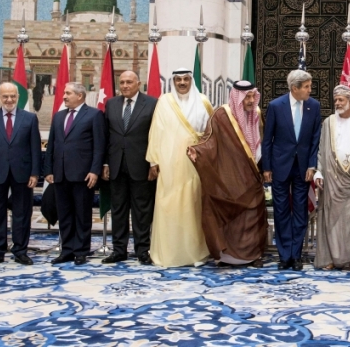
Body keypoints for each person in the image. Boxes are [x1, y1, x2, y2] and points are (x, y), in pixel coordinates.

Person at [187, 80, 267, 267]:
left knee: (253, 215)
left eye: (252, 96)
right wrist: (198, 151)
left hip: (252, 173)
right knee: (230, 216)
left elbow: (262, 142)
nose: (250, 100)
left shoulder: (256, 114)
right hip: (228, 174)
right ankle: (227, 256)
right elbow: (209, 140)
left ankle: (253, 255)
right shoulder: (222, 115)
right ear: (236, 97)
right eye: (246, 97)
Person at [146, 68, 213, 267]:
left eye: (185, 79)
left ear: (191, 80)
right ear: (173, 81)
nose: (182, 83)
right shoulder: (164, 101)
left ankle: (194, 253)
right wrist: (154, 161)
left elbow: (212, 132)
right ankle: (168, 254)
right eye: (178, 79)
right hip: (168, 163)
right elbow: (156, 131)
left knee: (192, 206)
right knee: (169, 206)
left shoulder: (203, 101)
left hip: (194, 162)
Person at [262, 69, 322, 271]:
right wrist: (267, 167)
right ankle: (284, 255)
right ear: (294, 88)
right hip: (280, 167)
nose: (309, 90)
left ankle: (296, 255)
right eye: (306, 87)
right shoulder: (275, 106)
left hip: (303, 169)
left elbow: (315, 139)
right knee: (281, 212)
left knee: (300, 212)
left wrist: (312, 165)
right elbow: (267, 140)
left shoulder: (313, 106)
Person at [0, 82, 41, 266]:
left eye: (13, 96)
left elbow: (35, 148)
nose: (9, 99)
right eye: (5, 96)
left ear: (18, 97)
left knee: (22, 213)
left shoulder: (29, 118)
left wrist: (35, 173)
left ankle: (20, 251)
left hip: (23, 173)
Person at [44, 82, 105, 266]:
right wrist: (48, 170)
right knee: (64, 215)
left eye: (68, 93)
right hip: (60, 174)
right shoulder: (58, 116)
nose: (64, 96)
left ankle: (81, 251)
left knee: (82, 214)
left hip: (83, 175)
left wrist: (95, 170)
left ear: (80, 96)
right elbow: (51, 145)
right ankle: (67, 250)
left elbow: (99, 147)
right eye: (64, 93)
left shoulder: (94, 115)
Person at [101, 71, 158, 265]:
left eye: (129, 82)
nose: (125, 85)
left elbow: (155, 135)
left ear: (138, 84)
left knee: (141, 211)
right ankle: (119, 250)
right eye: (122, 82)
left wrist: (153, 162)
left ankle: (142, 250)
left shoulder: (151, 103)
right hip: (116, 165)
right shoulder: (112, 104)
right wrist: (106, 163)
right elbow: (106, 136)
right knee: (118, 210)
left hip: (141, 165)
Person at [314, 85, 350, 270]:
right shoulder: (329, 122)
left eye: (341, 100)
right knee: (332, 222)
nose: (337, 103)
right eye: (336, 100)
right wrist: (319, 171)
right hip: (332, 181)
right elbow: (321, 149)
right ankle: (329, 259)